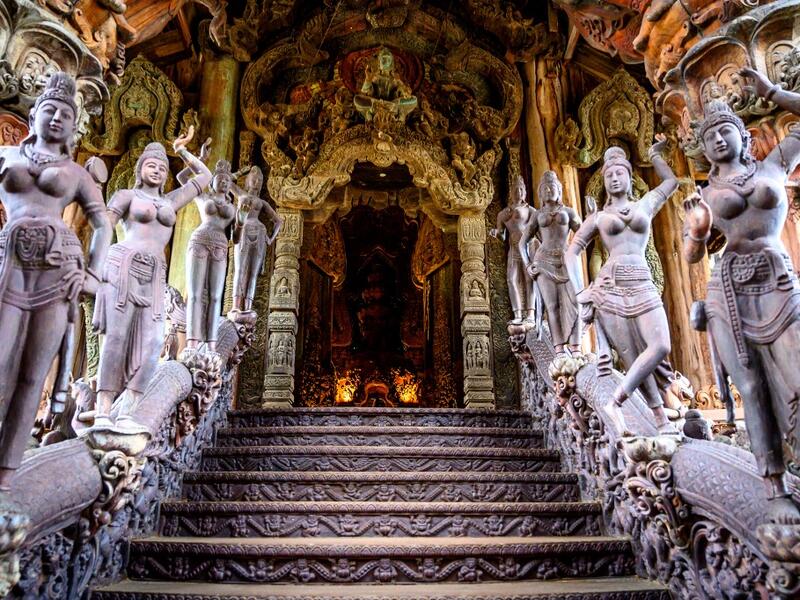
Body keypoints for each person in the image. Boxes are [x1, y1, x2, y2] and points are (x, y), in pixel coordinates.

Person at [682, 67, 800, 523]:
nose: (717, 141)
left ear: (744, 137)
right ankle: (774, 487)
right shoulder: (706, 193)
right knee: (749, 387)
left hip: (778, 279)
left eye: (725, 131)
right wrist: (698, 231)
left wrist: (773, 92)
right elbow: (692, 254)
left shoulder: (774, 165)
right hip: (728, 289)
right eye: (709, 137)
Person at [0, 73, 112, 489]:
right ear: (33, 115)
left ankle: (7, 472)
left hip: (59, 268)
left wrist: (94, 275)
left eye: (67, 114)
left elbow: (103, 225)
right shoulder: (7, 157)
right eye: (50, 110)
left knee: (33, 371)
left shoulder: (77, 172)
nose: (58, 119)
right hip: (9, 260)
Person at [92, 132, 212, 430]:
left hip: (155, 273)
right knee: (116, 338)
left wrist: (182, 152)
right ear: (140, 168)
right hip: (123, 265)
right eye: (151, 165)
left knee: (154, 340)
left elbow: (206, 177)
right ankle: (103, 407)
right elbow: (104, 225)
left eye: (162, 167)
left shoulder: (171, 200)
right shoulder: (126, 196)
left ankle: (130, 408)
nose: (157, 170)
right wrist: (93, 266)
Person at [565, 136, 678, 435]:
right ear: (604, 182)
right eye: (610, 175)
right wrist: (580, 291)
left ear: (630, 178)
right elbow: (571, 251)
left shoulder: (646, 204)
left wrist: (655, 155)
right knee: (630, 353)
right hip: (610, 286)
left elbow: (671, 182)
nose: (615, 178)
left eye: (620, 173)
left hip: (642, 280)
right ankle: (660, 419)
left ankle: (616, 400)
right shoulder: (599, 217)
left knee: (660, 345)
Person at [520, 171, 581, 352]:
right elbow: (523, 242)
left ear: (559, 191)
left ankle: (576, 347)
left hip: (566, 259)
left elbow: (585, 233)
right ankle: (559, 349)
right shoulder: (538, 215)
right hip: (543, 260)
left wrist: (575, 250)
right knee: (552, 306)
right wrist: (528, 264)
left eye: (552, 187)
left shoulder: (568, 212)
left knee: (576, 301)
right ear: (540, 193)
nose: (548, 190)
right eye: (544, 188)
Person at [185, 159, 239, 351]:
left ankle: (211, 344)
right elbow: (182, 178)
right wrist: (199, 162)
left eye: (227, 180)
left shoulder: (234, 207)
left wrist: (240, 222)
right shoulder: (202, 197)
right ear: (212, 181)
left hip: (220, 245)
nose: (224, 182)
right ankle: (192, 343)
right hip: (199, 239)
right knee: (195, 293)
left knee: (216, 296)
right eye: (220, 179)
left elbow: (237, 238)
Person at [231, 166, 282, 312]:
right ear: (247, 180)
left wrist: (271, 239)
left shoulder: (262, 203)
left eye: (260, 179)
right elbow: (224, 179)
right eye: (254, 177)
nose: (257, 181)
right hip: (243, 229)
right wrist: (240, 172)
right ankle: (235, 306)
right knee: (239, 269)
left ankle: (247, 307)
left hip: (259, 233)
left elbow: (278, 221)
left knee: (253, 273)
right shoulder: (240, 193)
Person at [490, 175, 537, 324]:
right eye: (516, 189)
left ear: (525, 192)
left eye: (521, 189)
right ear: (511, 192)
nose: (519, 192)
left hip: (528, 247)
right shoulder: (502, 214)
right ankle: (518, 314)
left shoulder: (530, 210)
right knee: (511, 280)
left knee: (530, 280)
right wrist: (495, 233)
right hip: (514, 249)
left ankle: (530, 314)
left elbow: (538, 229)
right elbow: (503, 235)